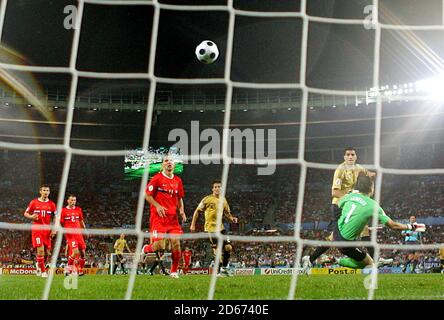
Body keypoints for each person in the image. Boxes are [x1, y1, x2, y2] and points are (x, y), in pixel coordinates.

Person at [304, 175, 423, 273]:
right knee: (369, 263)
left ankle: (311, 259)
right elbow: (393, 225)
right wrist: (411, 226)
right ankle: (336, 260)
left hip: (337, 230)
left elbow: (338, 204)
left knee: (339, 236)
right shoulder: (373, 205)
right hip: (346, 243)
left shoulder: (349, 196)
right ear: (371, 188)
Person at [302, 147, 376, 269]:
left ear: (356, 156)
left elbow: (369, 174)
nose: (350, 156)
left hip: (349, 205)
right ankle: (374, 261)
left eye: (353, 154)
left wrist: (373, 175)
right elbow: (334, 193)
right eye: (348, 154)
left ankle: (310, 258)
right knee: (362, 230)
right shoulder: (340, 170)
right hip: (339, 206)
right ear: (344, 157)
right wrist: (351, 197)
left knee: (336, 236)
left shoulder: (359, 168)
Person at [142, 156, 186, 279]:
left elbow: (179, 197)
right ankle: (146, 248)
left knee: (176, 243)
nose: (169, 163)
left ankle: (173, 271)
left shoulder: (178, 180)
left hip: (172, 219)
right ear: (162, 165)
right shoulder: (157, 178)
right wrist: (157, 206)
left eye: (171, 161)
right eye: (166, 161)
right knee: (160, 246)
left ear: (174, 165)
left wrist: (181, 210)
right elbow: (147, 195)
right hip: (158, 218)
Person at [190, 180, 238, 277]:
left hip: (221, 228)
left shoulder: (223, 200)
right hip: (210, 229)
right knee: (218, 251)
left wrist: (232, 218)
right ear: (212, 189)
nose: (217, 188)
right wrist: (192, 224)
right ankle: (218, 272)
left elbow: (227, 213)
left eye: (219, 187)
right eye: (215, 187)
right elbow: (197, 211)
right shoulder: (207, 199)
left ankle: (224, 269)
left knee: (228, 248)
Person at [23, 185, 57, 278]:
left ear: (49, 192)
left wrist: (54, 228)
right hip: (37, 229)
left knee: (47, 253)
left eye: (47, 190)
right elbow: (25, 213)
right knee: (40, 250)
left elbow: (56, 217)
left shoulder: (52, 204)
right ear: (40, 191)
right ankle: (43, 272)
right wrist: (31, 217)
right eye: (44, 190)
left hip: (47, 230)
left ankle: (39, 265)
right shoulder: (34, 202)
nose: (46, 192)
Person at [59, 195, 87, 276]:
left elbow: (81, 221)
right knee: (75, 252)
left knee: (83, 253)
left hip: (79, 234)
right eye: (71, 200)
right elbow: (60, 223)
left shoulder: (78, 209)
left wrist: (85, 230)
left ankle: (80, 270)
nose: (73, 202)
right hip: (71, 235)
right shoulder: (63, 211)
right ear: (68, 201)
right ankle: (68, 270)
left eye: (74, 200)